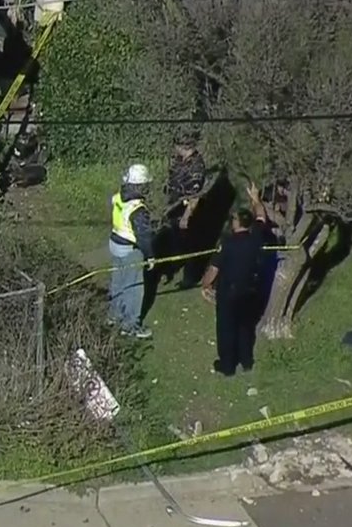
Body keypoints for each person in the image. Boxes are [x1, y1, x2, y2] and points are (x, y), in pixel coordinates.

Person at [201, 181, 269, 376]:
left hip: (229, 294)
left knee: (226, 329)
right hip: (250, 290)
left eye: (234, 219)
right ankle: (247, 361)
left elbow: (213, 269)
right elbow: (262, 216)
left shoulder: (227, 244)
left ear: (238, 223)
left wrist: (205, 285)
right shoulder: (256, 236)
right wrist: (255, 199)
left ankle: (228, 365)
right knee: (246, 327)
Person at [109, 164, 155, 338]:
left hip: (114, 244)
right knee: (134, 288)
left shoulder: (118, 197)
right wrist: (150, 255)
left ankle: (114, 315)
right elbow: (143, 236)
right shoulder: (138, 209)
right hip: (130, 250)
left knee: (118, 282)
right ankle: (130, 326)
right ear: (141, 185)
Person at [162, 137, 208, 288]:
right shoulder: (179, 160)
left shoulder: (196, 166)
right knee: (174, 241)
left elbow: (195, 196)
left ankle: (190, 277)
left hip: (187, 211)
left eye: (176, 147)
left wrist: (186, 217)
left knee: (190, 245)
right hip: (175, 208)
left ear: (183, 146)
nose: (174, 150)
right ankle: (171, 268)